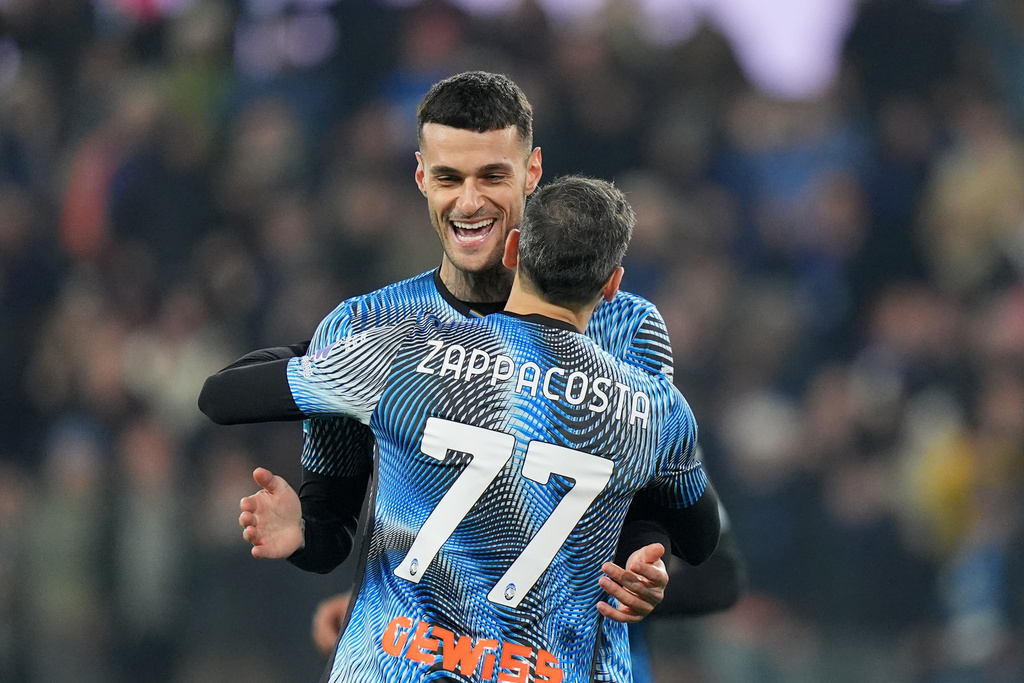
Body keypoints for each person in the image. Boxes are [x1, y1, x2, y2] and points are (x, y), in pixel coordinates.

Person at [199, 71, 743, 678]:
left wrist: (647, 560)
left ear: (532, 172)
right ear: (420, 176)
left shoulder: (627, 327)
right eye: (448, 178)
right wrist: (304, 531)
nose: (469, 201)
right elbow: (332, 524)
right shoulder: (365, 322)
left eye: (492, 176)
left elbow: (648, 500)